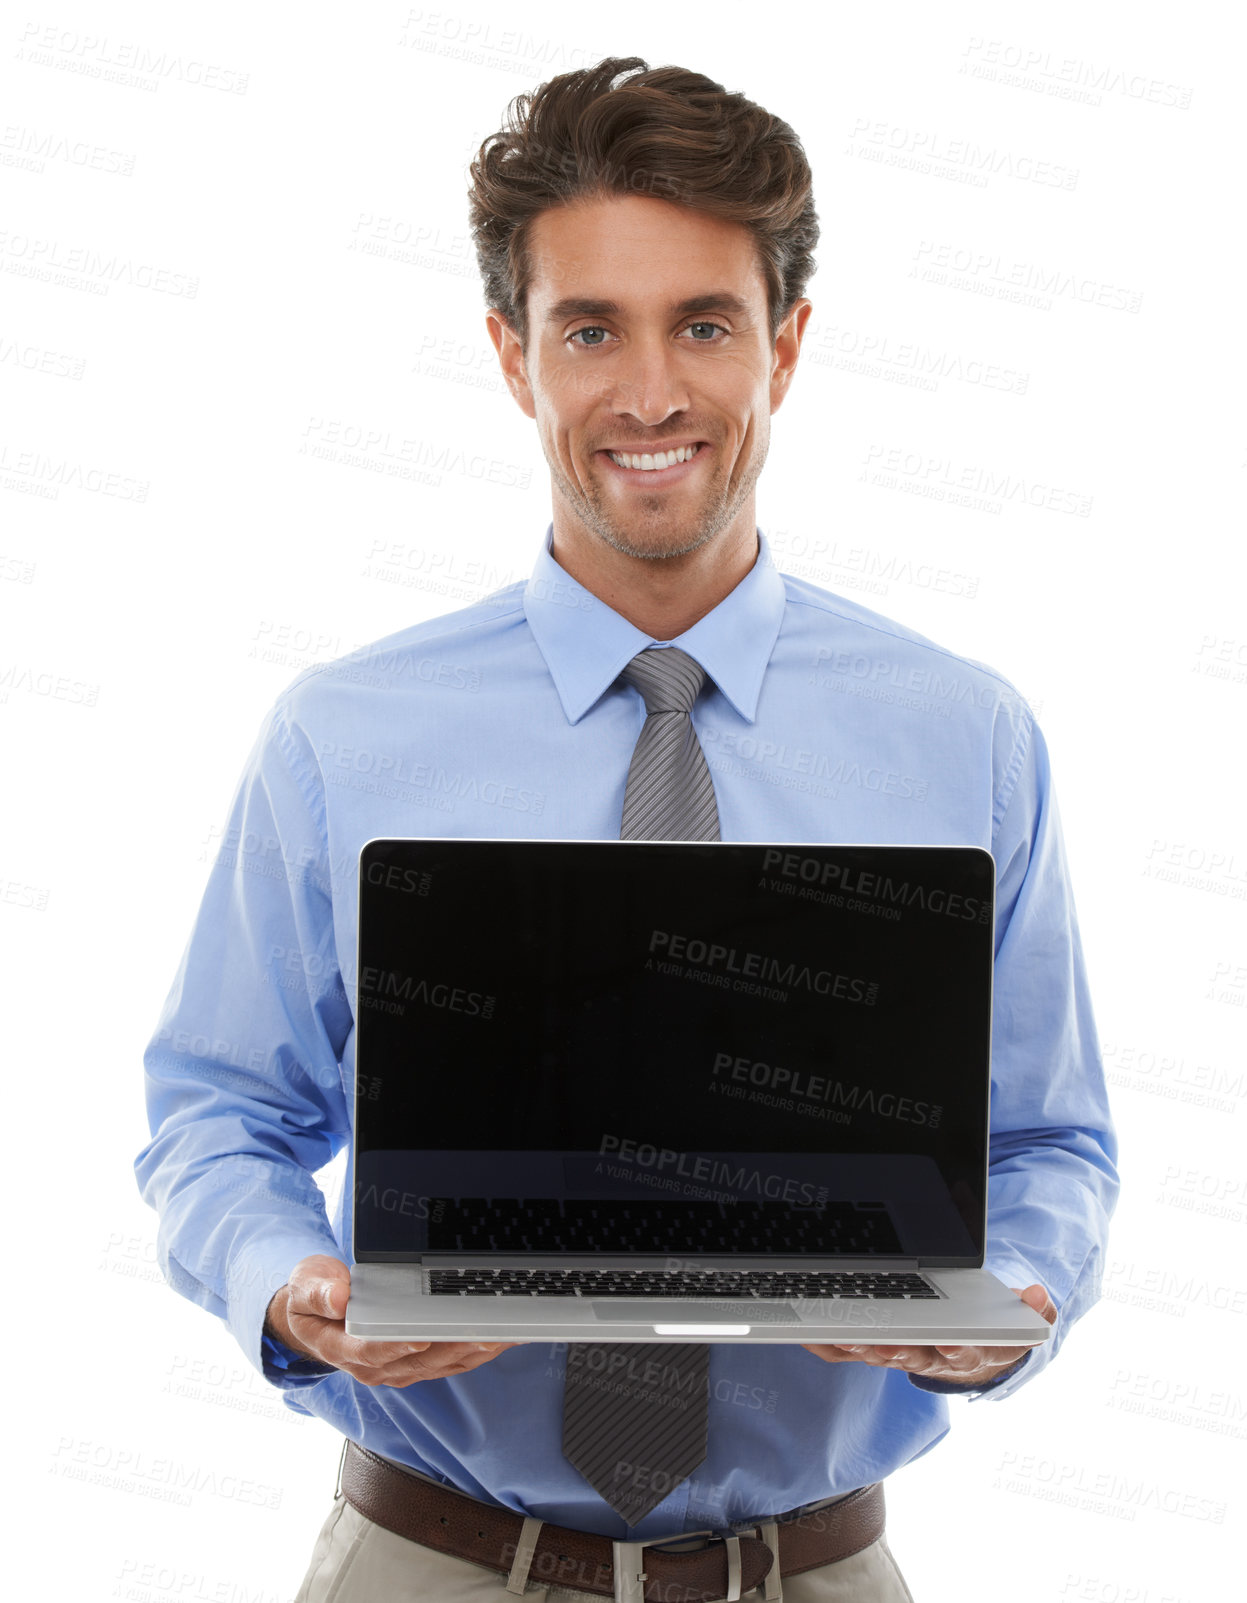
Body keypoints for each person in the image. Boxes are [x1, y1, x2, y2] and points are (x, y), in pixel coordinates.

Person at [136, 56, 1118, 1602]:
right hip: (430, 1560)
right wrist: (294, 1286)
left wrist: (1014, 1293)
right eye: (590, 328)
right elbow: (215, 1114)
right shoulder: (345, 735)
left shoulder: (963, 735)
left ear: (784, 350)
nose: (650, 392)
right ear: (514, 359)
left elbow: (1054, 1142)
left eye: (704, 325)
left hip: (817, 1570)